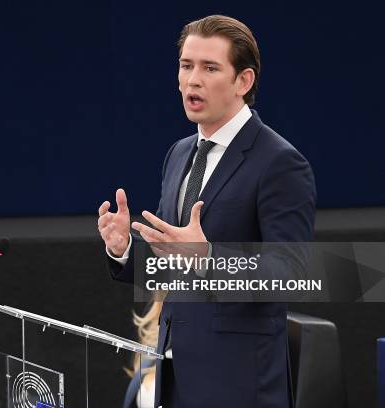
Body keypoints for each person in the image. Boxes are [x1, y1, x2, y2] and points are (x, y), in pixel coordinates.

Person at [97, 15, 316, 407]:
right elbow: (171, 265)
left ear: (243, 82)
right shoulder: (179, 154)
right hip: (175, 374)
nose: (192, 79)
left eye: (210, 68)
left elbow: (291, 273)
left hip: (239, 386)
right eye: (186, 66)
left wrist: (209, 257)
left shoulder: (280, 162)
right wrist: (125, 250)